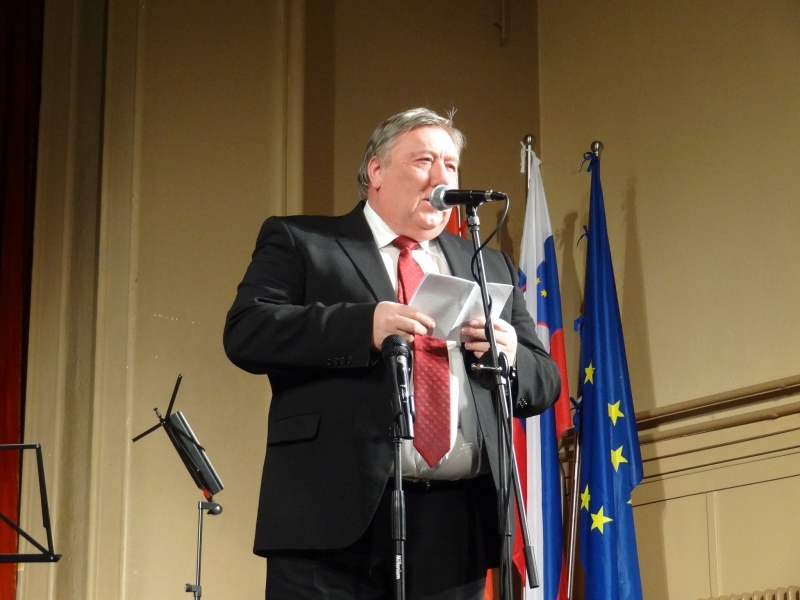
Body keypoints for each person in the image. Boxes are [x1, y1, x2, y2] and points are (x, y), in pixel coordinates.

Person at [224, 108, 561, 600]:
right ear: (376, 171)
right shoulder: (305, 242)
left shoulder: (488, 264)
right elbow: (248, 330)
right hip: (333, 520)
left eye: (451, 164)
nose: (442, 176)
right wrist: (362, 326)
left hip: (457, 524)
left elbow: (545, 381)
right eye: (424, 160)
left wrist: (510, 356)